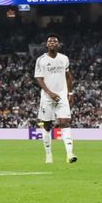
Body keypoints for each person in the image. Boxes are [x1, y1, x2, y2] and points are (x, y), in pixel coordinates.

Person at [35, 34, 76, 164]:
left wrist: (70, 93)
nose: (52, 43)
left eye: (55, 41)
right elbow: (39, 78)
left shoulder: (64, 59)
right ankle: (48, 154)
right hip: (47, 97)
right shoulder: (41, 60)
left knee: (65, 122)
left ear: (58, 45)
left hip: (62, 96)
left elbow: (68, 76)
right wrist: (49, 92)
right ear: (47, 45)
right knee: (47, 125)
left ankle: (70, 154)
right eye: (50, 41)